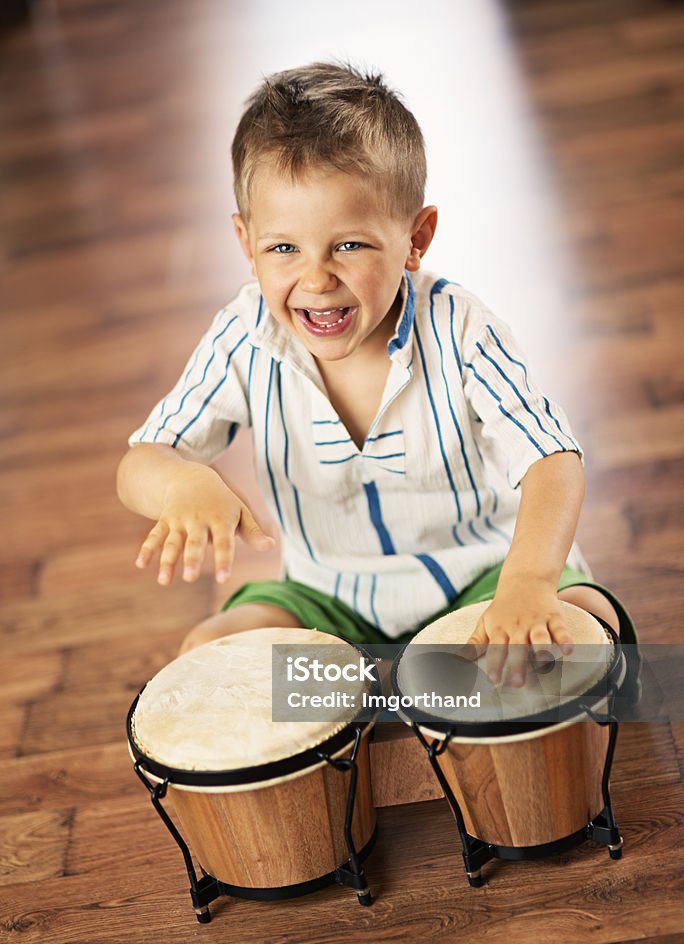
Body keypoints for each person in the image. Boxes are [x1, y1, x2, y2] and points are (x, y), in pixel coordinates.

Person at [117, 61, 638, 690]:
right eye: (284, 248)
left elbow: (553, 461)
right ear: (245, 242)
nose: (315, 279)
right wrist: (179, 486)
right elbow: (143, 459)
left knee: (588, 621)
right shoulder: (245, 333)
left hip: (483, 574)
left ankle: (392, 701)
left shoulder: (463, 327)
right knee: (212, 651)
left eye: (350, 245)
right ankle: (373, 722)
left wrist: (526, 584)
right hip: (332, 600)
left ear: (416, 238)